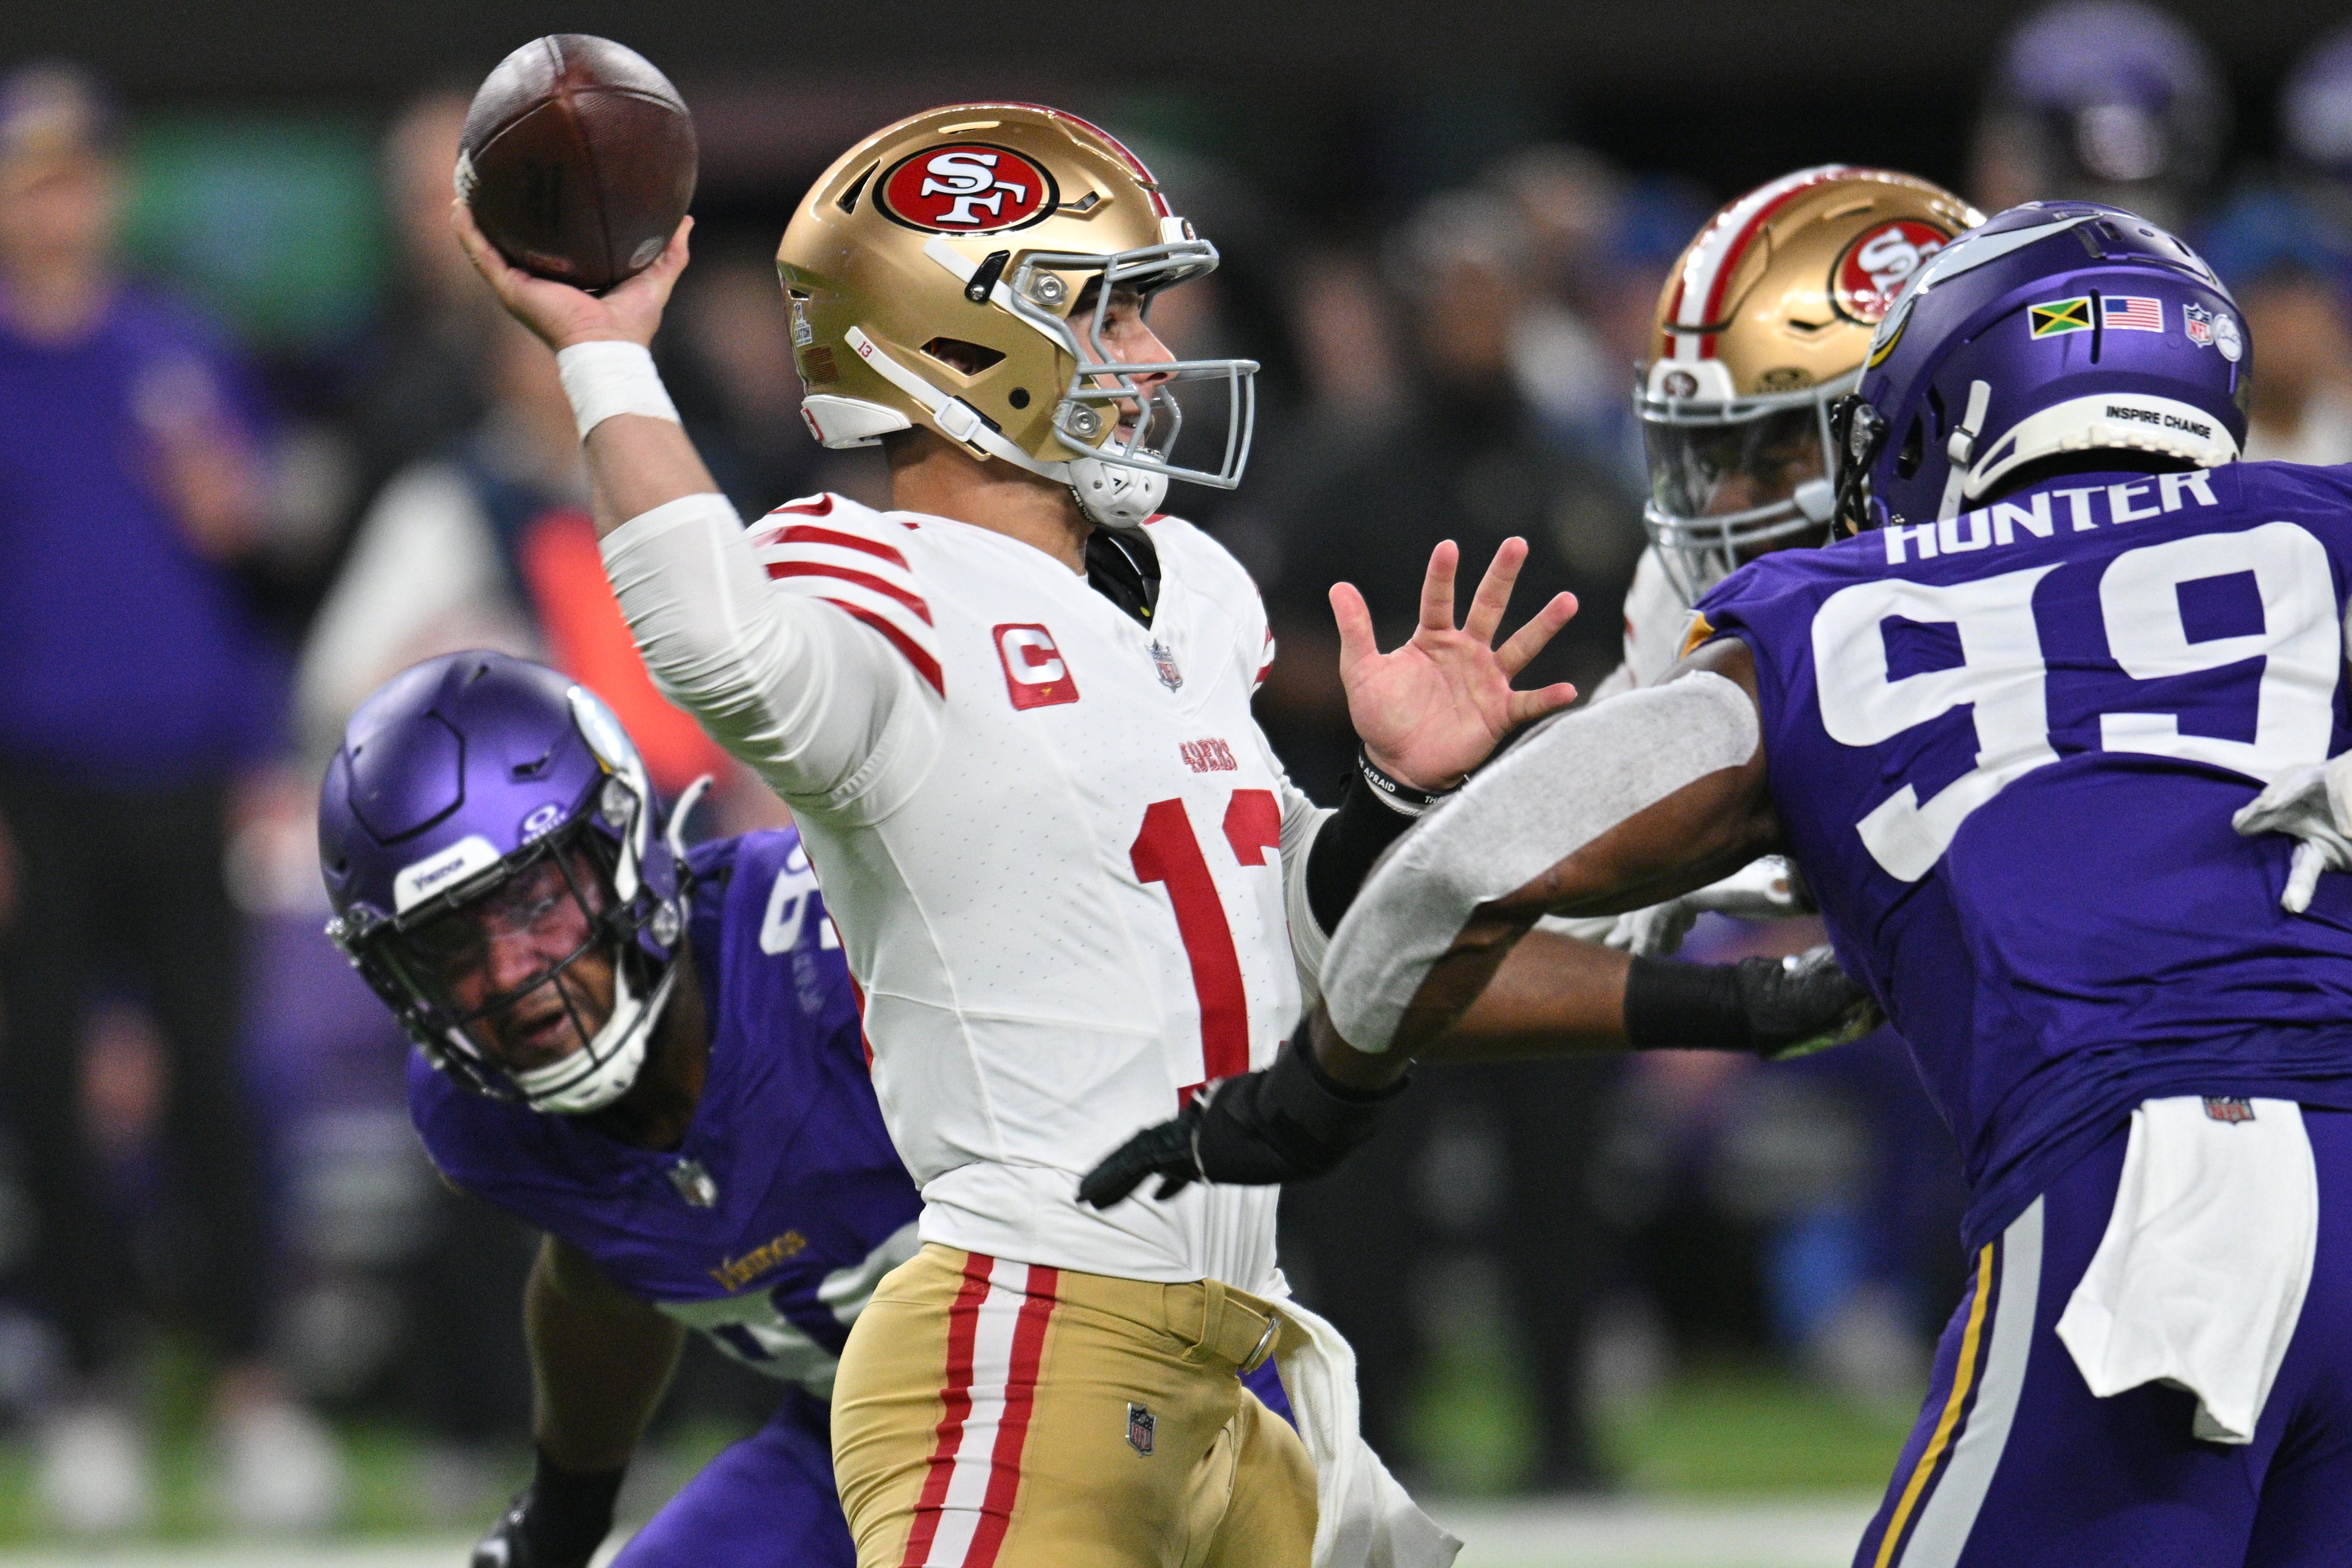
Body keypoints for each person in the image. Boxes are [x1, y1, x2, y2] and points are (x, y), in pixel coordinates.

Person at [1098, 202, 2352, 1565]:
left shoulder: (1835, 613)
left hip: (2154, 1188)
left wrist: (1311, 1101)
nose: (1741, 497)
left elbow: (1447, 882)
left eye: (1777, 447)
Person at [452, 99, 1594, 1568]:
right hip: (1031, 1327)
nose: (1157, 359)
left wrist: (1390, 797)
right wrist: (602, 348)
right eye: (1112, 316)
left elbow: (1285, 931)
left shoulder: (1182, 585)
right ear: (964, 345)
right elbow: (714, 637)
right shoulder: (876, 575)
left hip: (1218, 1354)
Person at [318, 650, 931, 1567]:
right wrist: (562, 1516)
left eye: (533, 902)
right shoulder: (479, 1114)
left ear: (623, 845)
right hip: (866, 1441)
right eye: (446, 944)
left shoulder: (840, 944)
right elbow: (602, 1273)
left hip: (1129, 1363)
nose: (510, 977)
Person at [0, 62, 343, 1532]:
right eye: (32, 173)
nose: (60, 200)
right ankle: (90, 1388)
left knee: (221, 1087)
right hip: (36, 784)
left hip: (190, 772)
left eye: (80, 172)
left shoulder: (179, 349)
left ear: (113, 189)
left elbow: (260, 575)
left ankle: (254, 1388)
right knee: (52, 1097)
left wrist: (239, 522)